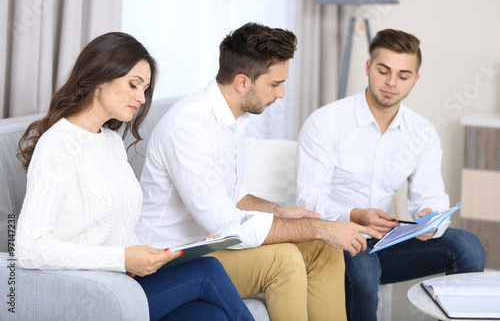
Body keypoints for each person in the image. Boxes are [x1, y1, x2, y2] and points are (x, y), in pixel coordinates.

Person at [135, 22, 380, 321]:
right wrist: (321, 227)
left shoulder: (235, 120)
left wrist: (280, 212)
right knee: (284, 259)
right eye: (275, 84)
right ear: (242, 82)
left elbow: (233, 198)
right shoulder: (189, 128)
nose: (282, 94)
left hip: (208, 247)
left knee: (322, 249)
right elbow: (223, 223)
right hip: (172, 263)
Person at [15, 32, 254, 321]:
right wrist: (122, 259)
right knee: (208, 271)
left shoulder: (110, 141)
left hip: (122, 282)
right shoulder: (59, 145)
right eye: (133, 85)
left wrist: (147, 256)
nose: (141, 98)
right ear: (101, 76)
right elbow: (29, 248)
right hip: (85, 291)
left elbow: (119, 227)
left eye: (145, 88)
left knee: (210, 315)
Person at [296, 28, 487, 321]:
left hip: (386, 242)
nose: (391, 83)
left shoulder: (421, 132)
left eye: (403, 75)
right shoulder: (326, 122)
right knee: (363, 266)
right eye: (384, 70)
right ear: (368, 67)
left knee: (468, 246)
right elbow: (308, 200)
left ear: (415, 79)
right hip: (333, 239)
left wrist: (429, 220)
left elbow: (432, 198)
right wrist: (356, 215)